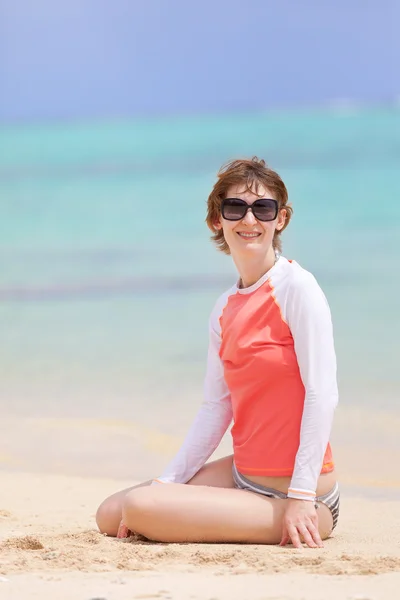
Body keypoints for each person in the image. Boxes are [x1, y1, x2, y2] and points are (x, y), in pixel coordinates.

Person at [96, 157, 339, 549]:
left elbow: (322, 394)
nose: (249, 219)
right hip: (243, 478)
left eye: (263, 208)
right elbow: (216, 407)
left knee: (141, 507)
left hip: (300, 498)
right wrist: (170, 482)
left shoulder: (298, 288)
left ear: (281, 219)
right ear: (216, 220)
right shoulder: (225, 307)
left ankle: (293, 508)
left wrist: (301, 497)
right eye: (234, 208)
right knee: (111, 512)